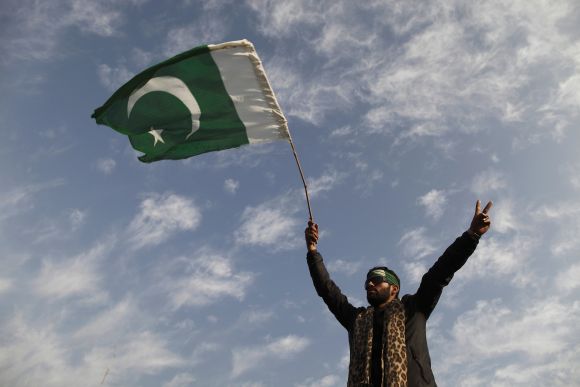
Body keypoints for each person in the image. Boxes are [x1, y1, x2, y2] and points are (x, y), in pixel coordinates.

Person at [304, 200, 493, 387]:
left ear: (394, 288)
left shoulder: (415, 309)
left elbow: (441, 271)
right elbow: (327, 290)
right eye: (367, 280)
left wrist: (471, 235)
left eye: (377, 279)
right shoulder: (356, 319)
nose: (370, 283)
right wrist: (312, 251)